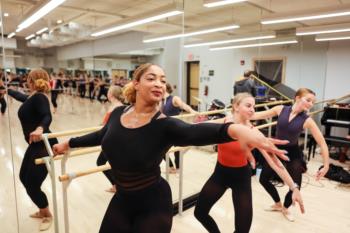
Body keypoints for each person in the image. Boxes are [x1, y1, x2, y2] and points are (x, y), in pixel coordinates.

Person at [53, 63, 289, 233]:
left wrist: (236, 130)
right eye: (152, 78)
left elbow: (195, 133)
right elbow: (101, 135)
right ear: (136, 83)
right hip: (123, 199)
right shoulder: (117, 114)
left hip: (153, 202)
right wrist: (69, 143)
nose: (159, 84)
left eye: (163, 80)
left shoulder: (165, 125)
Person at [194, 93, 305, 233]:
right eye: (248, 105)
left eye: (253, 106)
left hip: (241, 178)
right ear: (235, 106)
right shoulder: (224, 122)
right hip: (220, 174)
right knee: (200, 213)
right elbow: (196, 127)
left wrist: (294, 187)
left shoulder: (253, 132)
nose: (252, 109)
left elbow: (275, 163)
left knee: (243, 230)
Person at [252, 88, 329, 221]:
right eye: (308, 100)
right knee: (263, 179)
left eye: (313, 101)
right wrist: (238, 114)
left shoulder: (307, 120)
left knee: (295, 185)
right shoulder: (280, 109)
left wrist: (326, 165)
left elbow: (322, 142)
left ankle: (286, 208)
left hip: (293, 152)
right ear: (297, 98)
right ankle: (277, 203)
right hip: (275, 150)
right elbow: (257, 116)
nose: (311, 104)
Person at [7, 69, 58, 231]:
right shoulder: (32, 97)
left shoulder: (40, 97)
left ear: (30, 80)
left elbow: (47, 116)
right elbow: (21, 97)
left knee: (33, 184)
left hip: (44, 145)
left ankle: (47, 214)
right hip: (35, 145)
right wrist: (6, 90)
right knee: (24, 177)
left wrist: (40, 128)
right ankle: (42, 210)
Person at [161, 82, 197, 173]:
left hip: (175, 127)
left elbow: (183, 105)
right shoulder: (160, 101)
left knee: (177, 151)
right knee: (160, 150)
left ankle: (177, 168)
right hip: (164, 128)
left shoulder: (174, 99)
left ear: (166, 88)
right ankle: (171, 166)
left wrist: (192, 111)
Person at [97, 85, 124, 193]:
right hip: (117, 140)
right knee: (115, 163)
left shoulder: (114, 107)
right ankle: (118, 185)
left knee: (100, 163)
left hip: (112, 141)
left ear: (111, 94)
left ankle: (117, 185)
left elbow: (106, 124)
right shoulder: (120, 106)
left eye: (108, 91)